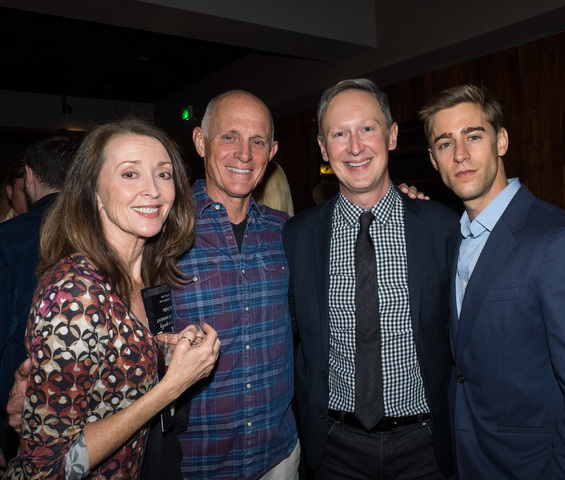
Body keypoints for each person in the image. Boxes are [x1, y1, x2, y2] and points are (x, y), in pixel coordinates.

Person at [3, 118, 221, 479]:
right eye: (130, 174)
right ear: (93, 190)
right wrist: (171, 387)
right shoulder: (77, 290)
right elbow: (47, 470)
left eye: (163, 174)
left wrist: (163, 350)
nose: (152, 190)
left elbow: (109, 371)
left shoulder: (143, 272)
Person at [419, 84, 565, 479]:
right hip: (468, 461)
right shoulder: (453, 237)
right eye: (445, 143)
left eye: (474, 136)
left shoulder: (561, 241)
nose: (460, 154)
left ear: (501, 140)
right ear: (433, 160)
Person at [282, 78, 457, 479]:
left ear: (392, 135)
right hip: (334, 448)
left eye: (367, 129)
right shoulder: (297, 236)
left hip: (426, 447)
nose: (355, 146)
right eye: (339, 134)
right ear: (324, 149)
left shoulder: (442, 228)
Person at [171, 90, 299, 479]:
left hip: (279, 455)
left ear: (272, 151)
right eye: (229, 137)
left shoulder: (288, 233)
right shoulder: (162, 232)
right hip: (195, 462)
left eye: (257, 141)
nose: (244, 154)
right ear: (200, 141)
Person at [0, 135, 78, 472]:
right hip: (84, 391)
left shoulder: (8, 237)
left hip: (18, 395)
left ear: (29, 176)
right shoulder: (108, 232)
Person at [1, 158, 29, 222]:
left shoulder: (50, 227)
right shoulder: (3, 230)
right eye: (25, 192)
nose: (31, 197)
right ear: (10, 192)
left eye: (34, 191)